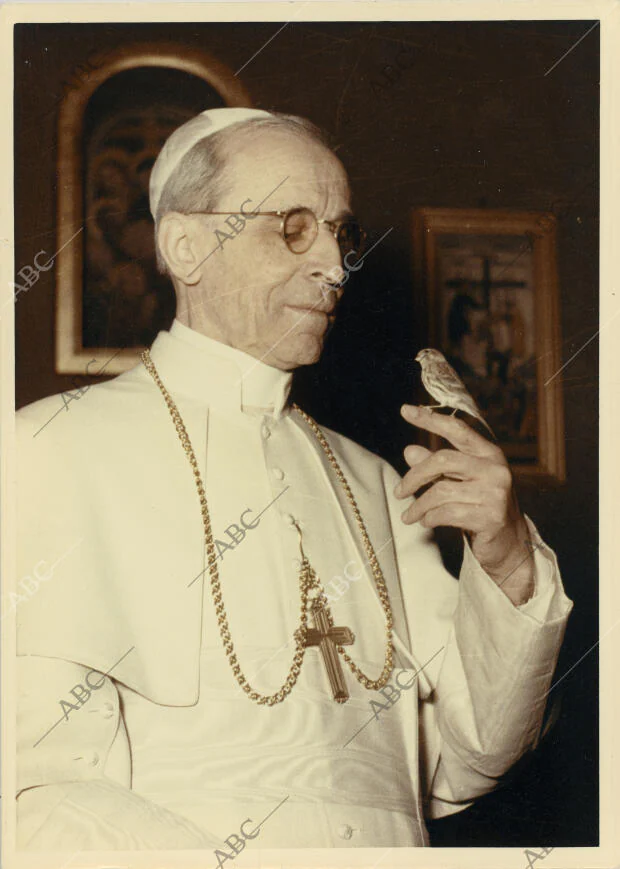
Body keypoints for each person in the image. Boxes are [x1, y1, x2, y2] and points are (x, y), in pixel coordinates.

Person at [15, 107, 572, 851]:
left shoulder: (377, 480)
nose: (335, 265)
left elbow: (472, 758)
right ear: (185, 246)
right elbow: (38, 794)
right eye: (291, 226)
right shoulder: (49, 448)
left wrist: (502, 559)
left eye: (340, 232)